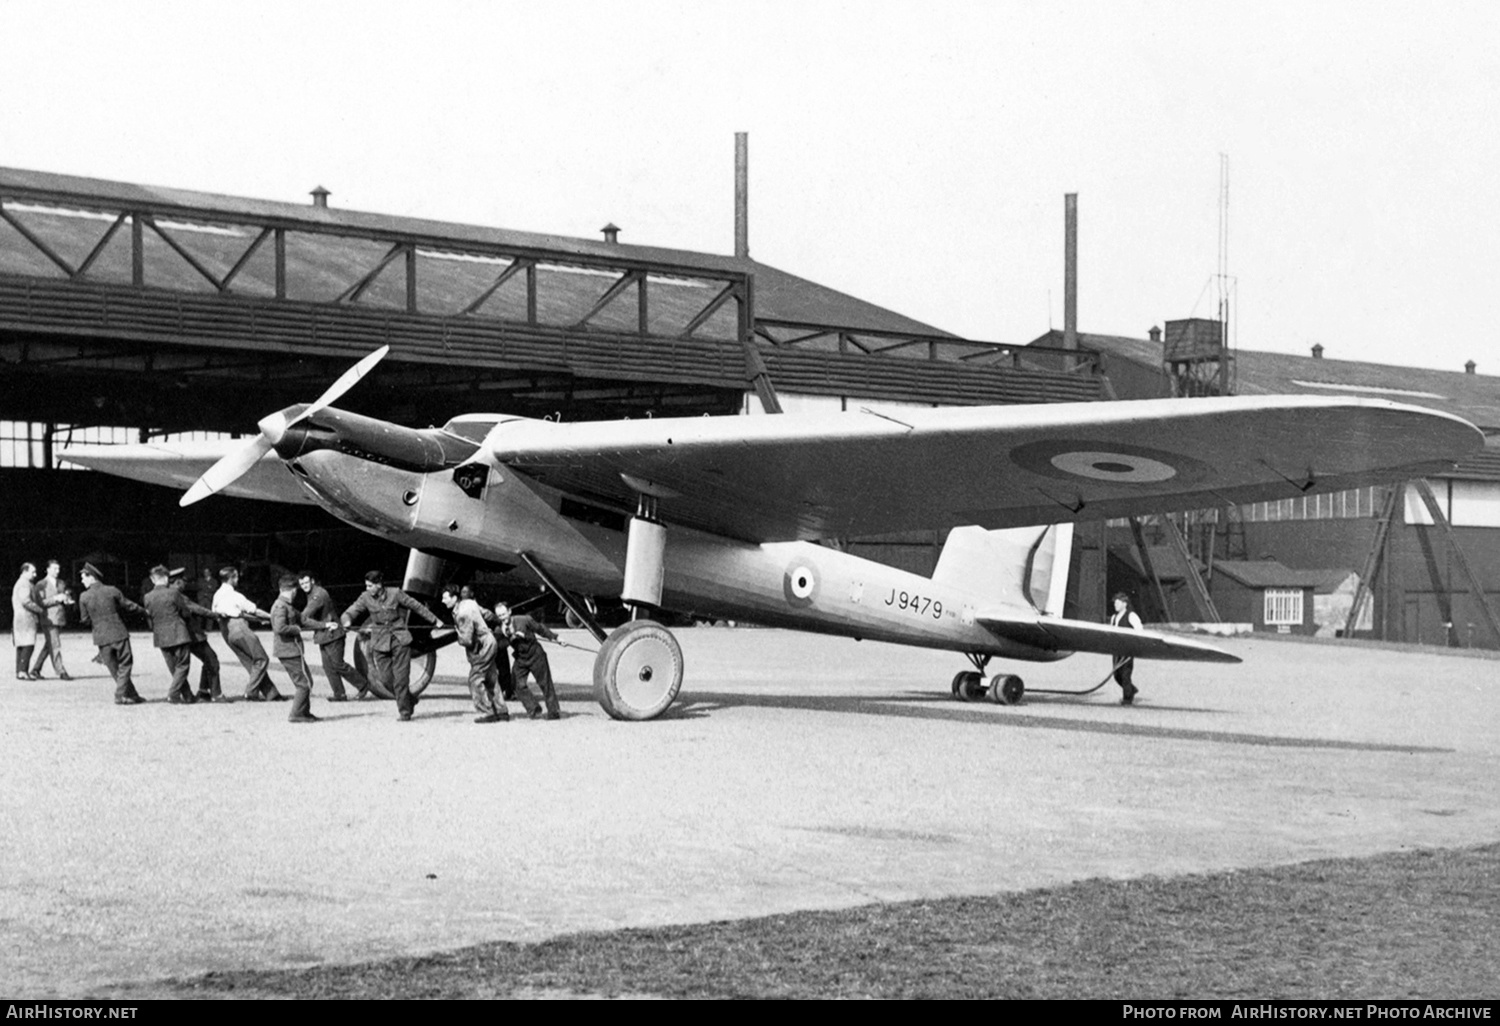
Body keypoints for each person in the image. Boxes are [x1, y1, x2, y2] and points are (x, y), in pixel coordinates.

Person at [341, 570, 441, 722]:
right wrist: (346, 620)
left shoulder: (395, 593)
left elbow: (416, 606)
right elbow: (351, 611)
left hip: (399, 639)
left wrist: (434, 620)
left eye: (370, 586)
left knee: (401, 679)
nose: (368, 589)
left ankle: (404, 713)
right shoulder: (365, 597)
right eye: (366, 586)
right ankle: (410, 699)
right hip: (380, 641)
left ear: (379, 584)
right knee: (386, 680)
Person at [142, 564, 217, 705]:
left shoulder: (147, 597)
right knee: (183, 666)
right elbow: (185, 611)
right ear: (166, 578)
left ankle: (188, 696)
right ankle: (173, 694)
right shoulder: (174, 593)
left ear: (153, 579)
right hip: (179, 634)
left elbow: (150, 616)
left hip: (160, 636)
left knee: (174, 668)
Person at [77, 562, 147, 704]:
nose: (82, 580)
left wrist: (97, 622)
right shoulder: (112, 590)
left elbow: (84, 620)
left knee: (114, 668)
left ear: (92, 577)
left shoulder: (83, 597)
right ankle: (120, 695)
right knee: (125, 664)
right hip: (118, 633)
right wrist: (145, 611)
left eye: (84, 577)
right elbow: (129, 605)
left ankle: (132, 694)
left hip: (101, 637)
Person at [212, 567, 284, 702]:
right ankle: (250, 692)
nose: (238, 580)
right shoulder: (235, 595)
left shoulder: (217, 595)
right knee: (262, 659)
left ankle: (271, 693)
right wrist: (271, 617)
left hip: (226, 631)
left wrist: (260, 619)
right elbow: (253, 610)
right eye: (236, 577)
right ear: (231, 578)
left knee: (250, 662)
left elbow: (234, 613)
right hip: (239, 628)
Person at [441, 584, 509, 723]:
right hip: (490, 641)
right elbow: (489, 614)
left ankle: (486, 712)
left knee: (475, 679)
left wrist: (458, 637)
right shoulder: (470, 603)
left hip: (482, 646)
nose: (443, 601)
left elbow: (466, 640)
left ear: (454, 598)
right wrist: (499, 623)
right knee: (491, 678)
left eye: (445, 598)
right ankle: (502, 712)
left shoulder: (462, 614)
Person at [299, 571, 370, 701]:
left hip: (333, 635)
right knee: (328, 667)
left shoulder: (318, 595)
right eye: (302, 584)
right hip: (324, 636)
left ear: (312, 581)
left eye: (306, 582)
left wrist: (291, 617)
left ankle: (363, 685)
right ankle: (339, 694)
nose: (304, 585)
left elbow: (304, 617)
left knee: (338, 665)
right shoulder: (312, 594)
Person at [272, 574, 332, 723]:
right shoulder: (280, 606)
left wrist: (325, 625)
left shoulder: (287, 606)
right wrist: (296, 629)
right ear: (292, 590)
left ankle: (304, 713)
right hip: (288, 650)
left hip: (292, 650)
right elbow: (280, 628)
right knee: (303, 684)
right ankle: (296, 714)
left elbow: (304, 620)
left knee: (307, 681)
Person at [496, 600, 560, 720]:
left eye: (504, 614)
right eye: (499, 616)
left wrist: (555, 637)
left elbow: (540, 629)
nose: (502, 618)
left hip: (536, 655)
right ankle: (534, 709)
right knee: (515, 684)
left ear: (509, 612)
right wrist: (511, 638)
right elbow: (500, 645)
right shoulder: (500, 630)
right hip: (521, 658)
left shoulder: (524, 620)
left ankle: (553, 711)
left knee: (545, 683)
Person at [170, 567, 223, 702]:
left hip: (180, 637)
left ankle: (204, 691)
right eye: (183, 581)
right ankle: (216, 694)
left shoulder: (167, 595)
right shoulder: (178, 596)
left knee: (207, 660)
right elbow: (197, 609)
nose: (185, 584)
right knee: (212, 660)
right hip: (193, 636)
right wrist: (216, 615)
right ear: (177, 582)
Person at [30, 559, 74, 680]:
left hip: (59, 617)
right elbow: (40, 602)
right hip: (48, 618)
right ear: (48, 569)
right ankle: (61, 671)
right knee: (55, 645)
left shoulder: (61, 583)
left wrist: (66, 599)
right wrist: (56, 598)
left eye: (58, 569)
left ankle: (35, 669)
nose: (57, 571)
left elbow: (64, 597)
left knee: (49, 645)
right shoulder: (40, 584)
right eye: (54, 569)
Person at [1109, 591, 1143, 705]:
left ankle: (1127, 700)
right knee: (1117, 675)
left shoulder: (1131, 616)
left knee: (1125, 675)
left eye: (1118, 603)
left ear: (1125, 604)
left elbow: (1139, 631)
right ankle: (1131, 689)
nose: (1115, 605)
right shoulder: (1113, 617)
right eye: (1115, 603)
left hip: (1127, 650)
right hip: (1116, 651)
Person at [11, 563, 44, 681]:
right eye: (32, 572)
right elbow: (26, 601)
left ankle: (19, 671)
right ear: (25, 571)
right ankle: (23, 671)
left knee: (21, 646)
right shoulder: (24, 584)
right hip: (26, 619)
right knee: (28, 645)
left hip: (20, 619)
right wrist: (40, 610)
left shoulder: (20, 583)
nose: (35, 575)